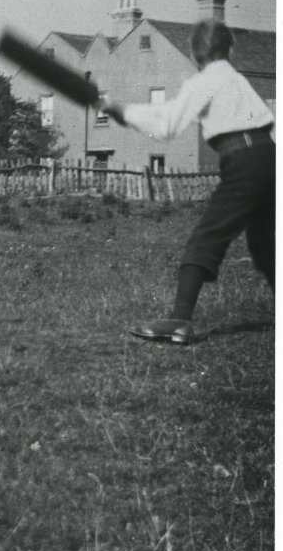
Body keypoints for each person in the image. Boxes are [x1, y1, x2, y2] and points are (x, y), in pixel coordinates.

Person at [103, 19, 274, 344]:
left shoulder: (205, 80)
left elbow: (167, 124)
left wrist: (124, 113)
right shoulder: (237, 79)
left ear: (195, 55)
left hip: (243, 161)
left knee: (207, 235)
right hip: (271, 156)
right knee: (266, 242)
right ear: (231, 49)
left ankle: (180, 319)